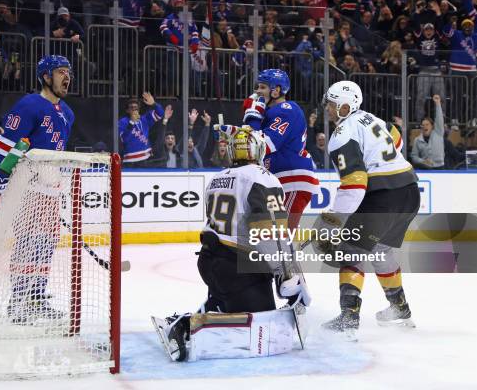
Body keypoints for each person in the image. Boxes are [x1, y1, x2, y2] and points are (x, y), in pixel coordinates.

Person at [152, 128, 308, 362]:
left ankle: (212, 307)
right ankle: (186, 325)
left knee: (232, 301)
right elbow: (270, 233)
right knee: (264, 325)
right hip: (238, 269)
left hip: (208, 263)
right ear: (258, 150)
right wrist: (285, 275)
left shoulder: (217, 178)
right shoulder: (262, 177)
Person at [311, 80, 419, 334]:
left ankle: (348, 318)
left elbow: (355, 184)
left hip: (382, 196)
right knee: (380, 249)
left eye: (332, 103)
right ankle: (399, 307)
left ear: (346, 107)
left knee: (350, 251)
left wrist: (333, 223)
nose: (328, 107)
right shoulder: (374, 119)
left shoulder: (341, 134)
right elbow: (398, 141)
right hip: (409, 190)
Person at [0, 55, 75, 324]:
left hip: (51, 188)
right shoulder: (28, 105)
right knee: (27, 244)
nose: (67, 77)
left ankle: (36, 298)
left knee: (46, 245)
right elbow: (4, 146)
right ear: (46, 76)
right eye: (61, 72)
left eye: (68, 72)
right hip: (26, 188)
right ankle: (18, 302)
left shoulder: (68, 113)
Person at [242, 69, 320, 229]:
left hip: (293, 179)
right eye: (257, 87)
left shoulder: (286, 109)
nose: (257, 91)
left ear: (276, 90)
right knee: (270, 235)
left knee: (281, 236)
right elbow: (250, 145)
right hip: (279, 180)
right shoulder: (270, 112)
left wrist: (253, 117)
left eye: (262, 87)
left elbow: (265, 145)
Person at [118, 92, 164, 166]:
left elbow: (161, 113)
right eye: (131, 107)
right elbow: (124, 139)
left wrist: (154, 104)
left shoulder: (145, 119)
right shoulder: (123, 121)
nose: (134, 109)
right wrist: (131, 122)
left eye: (136, 107)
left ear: (139, 109)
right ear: (127, 110)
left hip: (146, 159)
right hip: (130, 161)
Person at [410, 94, 445, 170]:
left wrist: (438, 104)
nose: (424, 126)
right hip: (425, 169)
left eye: (427, 124)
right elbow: (414, 156)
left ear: (432, 126)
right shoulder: (417, 140)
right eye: (423, 125)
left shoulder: (438, 133)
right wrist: (423, 161)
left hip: (440, 168)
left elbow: (439, 119)